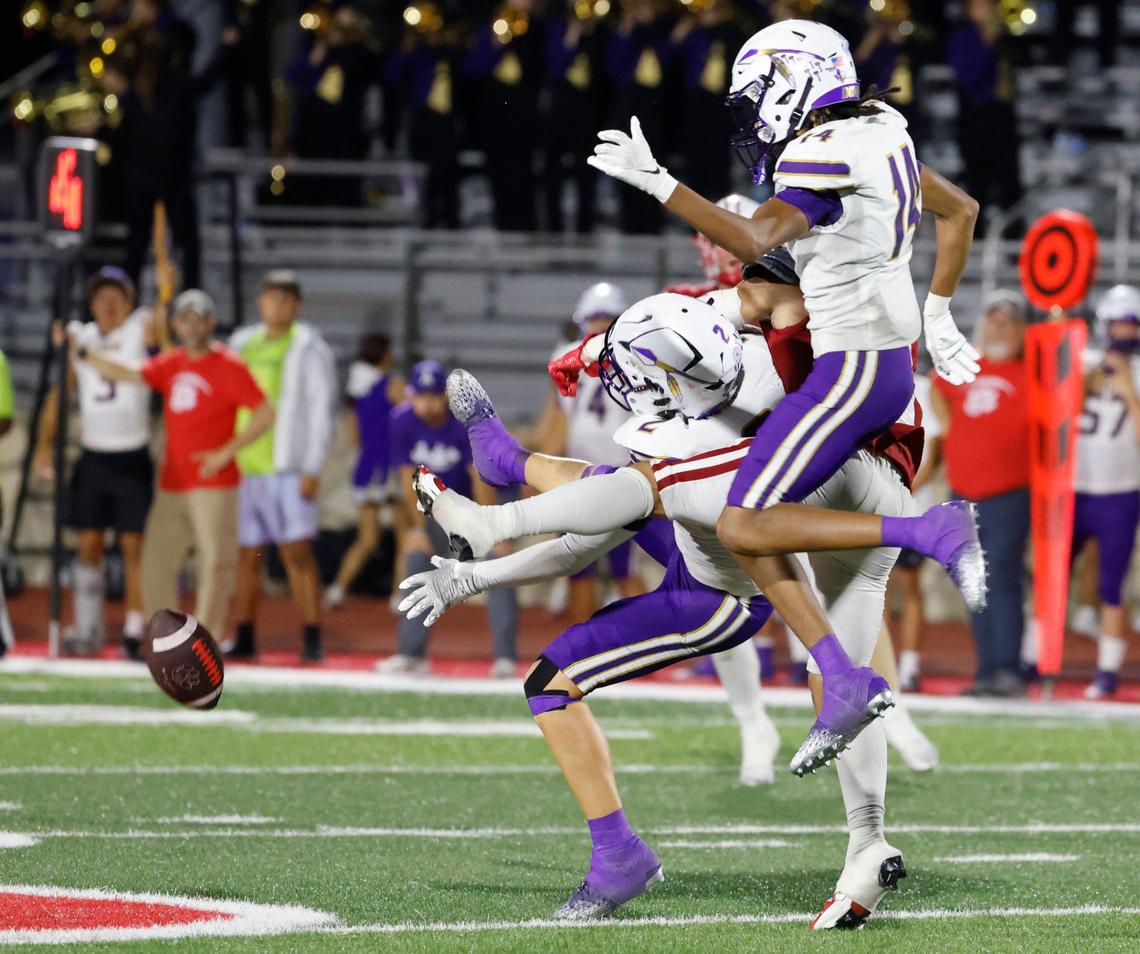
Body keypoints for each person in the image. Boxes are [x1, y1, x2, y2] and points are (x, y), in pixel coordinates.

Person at [407, 293, 919, 927]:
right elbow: (592, 528)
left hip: (715, 598)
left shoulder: (697, 463)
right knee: (619, 490)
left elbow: (582, 537)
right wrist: (477, 575)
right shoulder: (754, 363)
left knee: (550, 682)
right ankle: (504, 471)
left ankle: (619, 856)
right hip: (784, 516)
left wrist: (484, 552)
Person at [580, 19, 984, 772]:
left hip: (851, 372)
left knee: (742, 521)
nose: (751, 115)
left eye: (756, 96)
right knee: (748, 523)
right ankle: (842, 678)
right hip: (879, 362)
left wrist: (661, 183)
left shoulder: (822, 149)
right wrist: (938, 310)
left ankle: (926, 538)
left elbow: (754, 238)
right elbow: (960, 211)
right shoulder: (881, 128)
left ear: (793, 84)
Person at [66, 290, 274, 645]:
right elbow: (129, 372)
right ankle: (169, 638)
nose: (192, 324)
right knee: (156, 561)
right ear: (175, 324)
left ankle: (206, 639)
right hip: (173, 480)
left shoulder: (228, 365)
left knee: (214, 564)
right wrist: (85, 355)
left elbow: (265, 412)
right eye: (185, 318)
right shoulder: (172, 362)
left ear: (211, 322)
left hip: (213, 480)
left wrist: (226, 453)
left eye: (199, 317)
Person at [36, 268, 162, 658]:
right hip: (94, 455)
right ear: (91, 304)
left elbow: (159, 321)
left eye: (116, 297)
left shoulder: (139, 329)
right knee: (88, 543)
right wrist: (44, 444)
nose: (108, 305)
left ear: (128, 301)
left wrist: (164, 281)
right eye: (101, 298)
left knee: (134, 547)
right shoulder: (83, 337)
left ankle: (132, 632)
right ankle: (88, 627)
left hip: (132, 454)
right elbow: (62, 392)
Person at [379, 360, 517, 677]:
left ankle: (505, 658)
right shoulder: (401, 421)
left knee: (498, 565)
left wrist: (494, 529)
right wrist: (415, 530)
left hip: (478, 503)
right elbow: (406, 479)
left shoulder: (466, 422)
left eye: (434, 396)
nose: (428, 404)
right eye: (421, 396)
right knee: (416, 558)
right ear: (412, 395)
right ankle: (411, 654)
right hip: (436, 510)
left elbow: (483, 477)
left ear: (446, 397)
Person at [226, 271, 336, 663]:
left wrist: (312, 467)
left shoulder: (309, 348)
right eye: (272, 297)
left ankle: (310, 635)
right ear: (261, 302)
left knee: (296, 553)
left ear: (297, 306)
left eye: (286, 299)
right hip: (246, 467)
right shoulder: (242, 345)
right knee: (246, 556)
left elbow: (320, 411)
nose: (278, 306)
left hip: (287, 467)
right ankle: (244, 633)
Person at [930, 291, 1030, 697]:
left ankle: (1008, 668)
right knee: (977, 583)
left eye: (1007, 322)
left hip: (1010, 492)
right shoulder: (965, 364)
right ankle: (988, 669)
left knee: (1002, 577)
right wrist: (952, 432)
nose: (998, 328)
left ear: (1023, 329)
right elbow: (937, 386)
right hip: (965, 492)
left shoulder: (1034, 369)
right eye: (993, 320)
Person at [532, 282, 647, 624]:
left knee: (622, 568)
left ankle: (648, 647)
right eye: (594, 317)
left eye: (604, 317)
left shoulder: (625, 355)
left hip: (619, 473)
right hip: (582, 474)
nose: (598, 324)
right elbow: (558, 421)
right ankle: (585, 647)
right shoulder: (629, 353)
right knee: (580, 568)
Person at [1073, 285, 1140, 699]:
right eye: (1118, 323)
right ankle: (1034, 659)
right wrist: (1087, 381)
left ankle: (1108, 670)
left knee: (1112, 585)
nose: (1124, 332)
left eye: (1131, 324)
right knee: (1052, 575)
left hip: (1120, 490)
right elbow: (1060, 413)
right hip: (1075, 488)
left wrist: (1129, 390)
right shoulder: (1084, 362)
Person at [324, 333, 405, 609]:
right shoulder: (394, 386)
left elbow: (354, 436)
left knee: (367, 538)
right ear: (384, 354)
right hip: (392, 467)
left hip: (366, 466)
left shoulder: (356, 393)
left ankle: (337, 590)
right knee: (406, 536)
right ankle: (399, 595)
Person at [946, 0, 1021, 232]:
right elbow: (967, 76)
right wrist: (987, 41)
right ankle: (973, 241)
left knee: (1010, 182)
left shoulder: (1003, 35)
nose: (988, 8)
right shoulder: (962, 37)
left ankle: (1014, 239)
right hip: (975, 119)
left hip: (1002, 116)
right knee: (977, 183)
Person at [890, 369, 944, 691]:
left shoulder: (923, 388)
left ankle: (909, 666)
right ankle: (875, 661)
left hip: (910, 507)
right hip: (874, 504)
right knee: (874, 592)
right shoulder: (870, 379)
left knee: (909, 587)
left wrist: (899, 492)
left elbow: (933, 457)